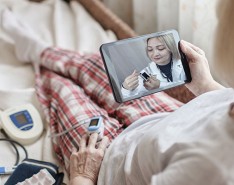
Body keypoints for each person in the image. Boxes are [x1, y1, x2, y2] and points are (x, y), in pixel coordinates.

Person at [1, 0, 234, 183]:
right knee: (97, 67)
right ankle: (40, 50)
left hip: (105, 164)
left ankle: (37, 58)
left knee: (63, 87)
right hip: (165, 121)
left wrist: (83, 176)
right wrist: (207, 87)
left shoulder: (209, 168)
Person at [121, 34, 186, 98]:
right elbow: (132, 96)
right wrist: (125, 89)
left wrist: (160, 85)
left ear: (171, 48)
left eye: (161, 48)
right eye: (150, 50)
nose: (155, 54)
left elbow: (185, 87)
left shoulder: (184, 62)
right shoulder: (145, 73)